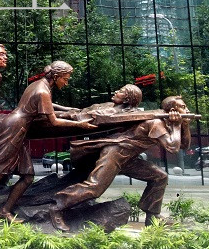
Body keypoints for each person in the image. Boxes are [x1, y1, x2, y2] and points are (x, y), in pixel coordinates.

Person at [0, 61, 97, 223]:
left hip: (17, 128)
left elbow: (48, 104)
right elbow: (54, 121)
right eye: (65, 79)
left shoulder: (40, 85)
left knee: (28, 176)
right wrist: (80, 124)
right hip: (14, 129)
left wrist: (69, 110)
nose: (66, 82)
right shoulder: (42, 90)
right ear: (56, 76)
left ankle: (4, 211)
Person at [49, 96, 191, 231]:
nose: (187, 110)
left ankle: (152, 216)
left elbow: (184, 145)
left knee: (160, 177)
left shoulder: (167, 122)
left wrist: (184, 125)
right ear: (173, 110)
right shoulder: (156, 123)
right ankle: (56, 207)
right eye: (183, 107)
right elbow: (172, 147)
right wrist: (178, 125)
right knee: (95, 188)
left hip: (129, 158)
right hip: (116, 153)